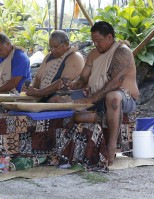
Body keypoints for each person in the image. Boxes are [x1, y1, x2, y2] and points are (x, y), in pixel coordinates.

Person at [57, 21, 140, 165]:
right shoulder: (94, 53)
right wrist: (72, 85)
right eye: (93, 41)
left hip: (123, 97)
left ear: (109, 37)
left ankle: (111, 146)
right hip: (95, 95)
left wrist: (90, 99)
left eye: (98, 40)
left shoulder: (122, 52)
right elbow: (83, 78)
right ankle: (58, 148)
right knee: (58, 99)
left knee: (113, 97)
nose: (95, 44)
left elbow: (115, 82)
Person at [25, 30, 84, 102]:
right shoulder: (49, 56)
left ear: (66, 44)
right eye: (51, 47)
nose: (52, 50)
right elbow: (37, 78)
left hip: (58, 99)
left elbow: (63, 83)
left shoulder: (75, 57)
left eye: (55, 47)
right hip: (40, 96)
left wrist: (39, 92)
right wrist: (32, 90)